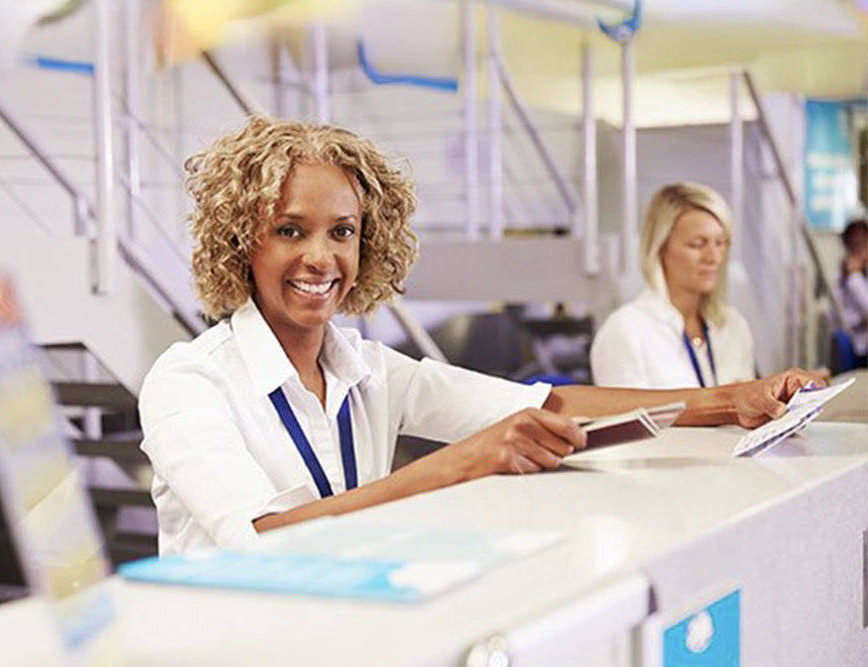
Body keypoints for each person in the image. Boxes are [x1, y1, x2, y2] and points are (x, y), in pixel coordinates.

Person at [139, 118, 820, 554]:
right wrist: (460, 462)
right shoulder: (189, 381)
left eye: (342, 232)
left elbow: (547, 405)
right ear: (241, 242)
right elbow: (261, 542)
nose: (322, 257)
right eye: (291, 229)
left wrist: (734, 400)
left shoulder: (370, 369)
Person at [590, 183, 755, 389]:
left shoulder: (733, 326)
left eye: (720, 243)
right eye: (697, 244)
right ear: (659, 248)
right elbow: (626, 419)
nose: (713, 257)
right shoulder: (626, 330)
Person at [837, 218, 868, 368]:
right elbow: (837, 316)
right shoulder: (842, 276)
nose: (858, 251)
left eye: (862, 244)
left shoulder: (855, 277)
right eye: (853, 245)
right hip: (851, 345)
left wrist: (855, 277)